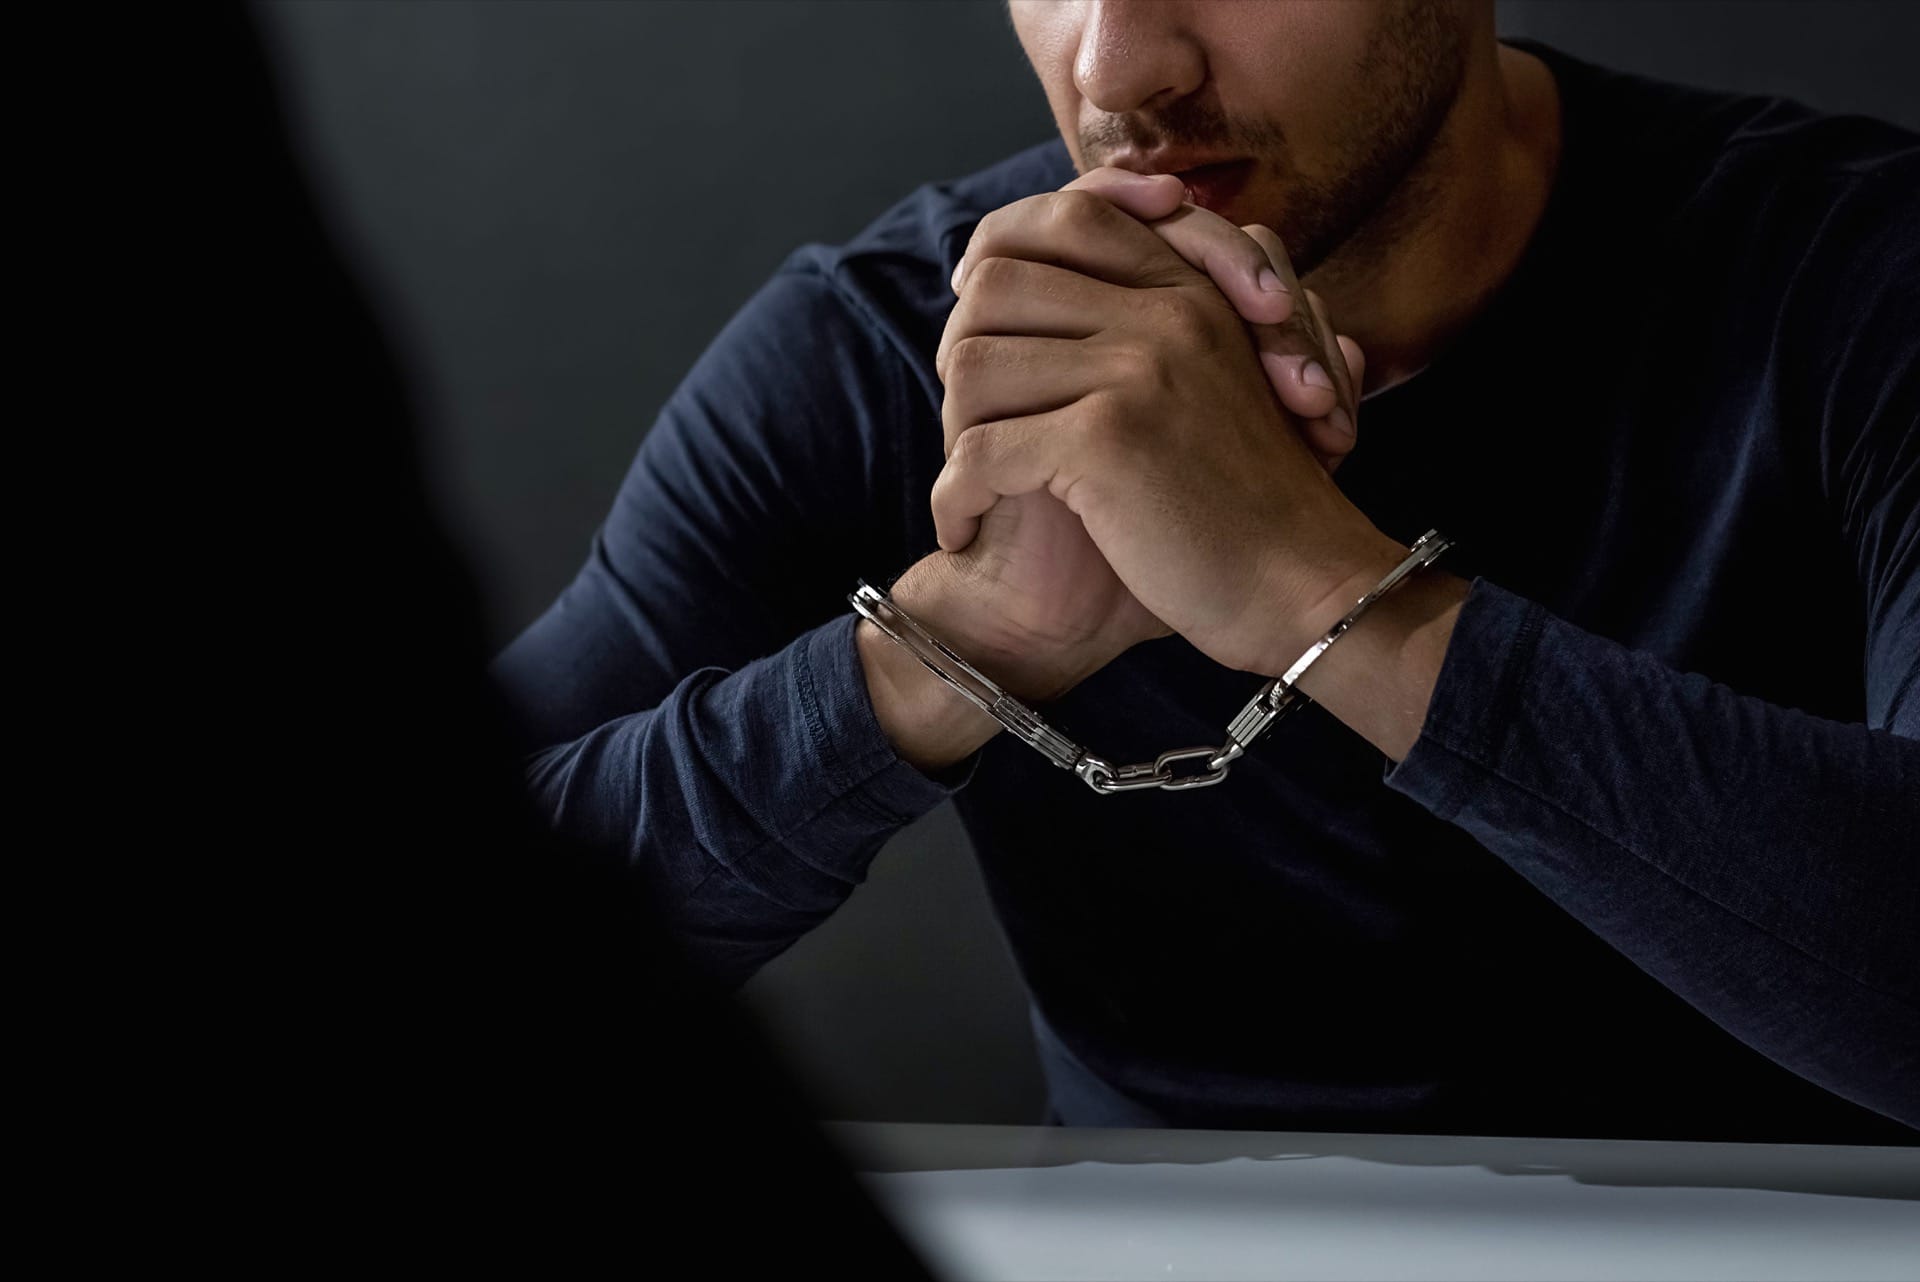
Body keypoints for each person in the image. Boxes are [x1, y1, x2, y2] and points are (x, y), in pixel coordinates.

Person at [490, 0, 1919, 1143]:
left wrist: (1324, 597)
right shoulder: (892, 351)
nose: (1118, 59)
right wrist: (955, 645)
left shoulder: (1856, 277)